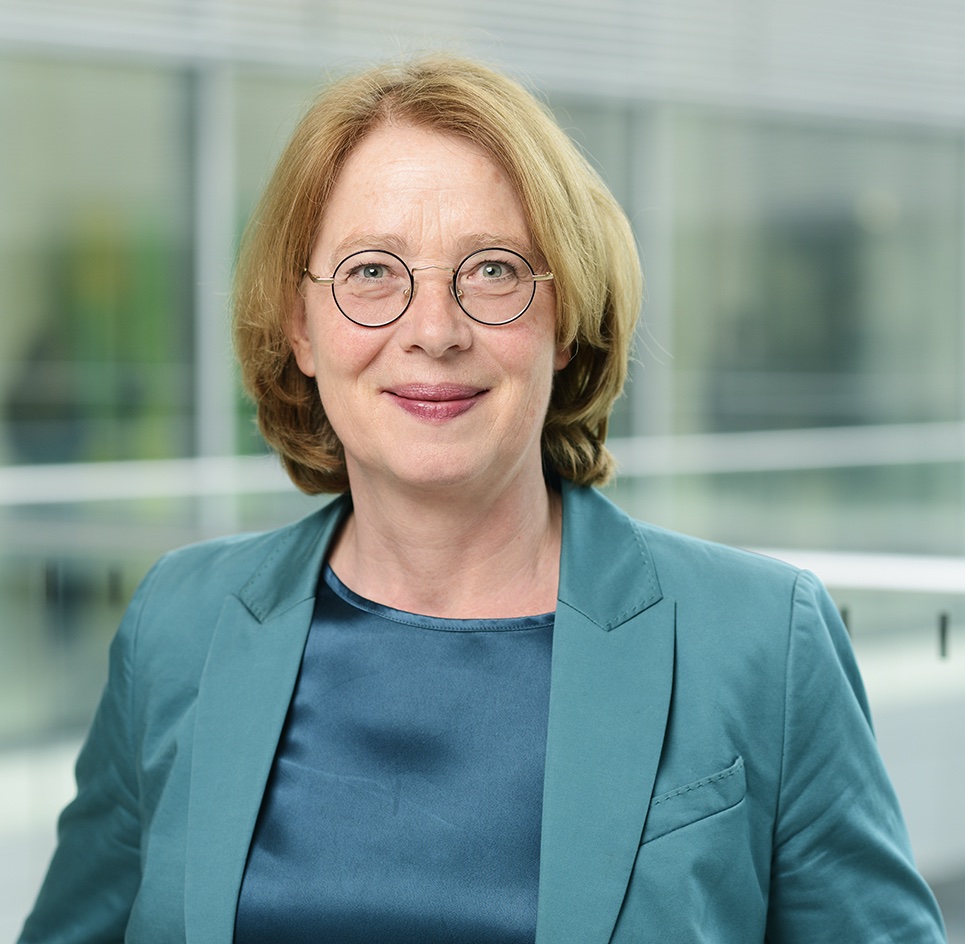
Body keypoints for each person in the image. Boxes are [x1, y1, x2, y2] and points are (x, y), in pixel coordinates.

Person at [20, 54, 946, 944]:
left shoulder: (759, 642)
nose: (433, 330)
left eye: (493, 270)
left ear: (566, 323)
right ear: (300, 326)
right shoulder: (180, 627)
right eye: (370, 270)